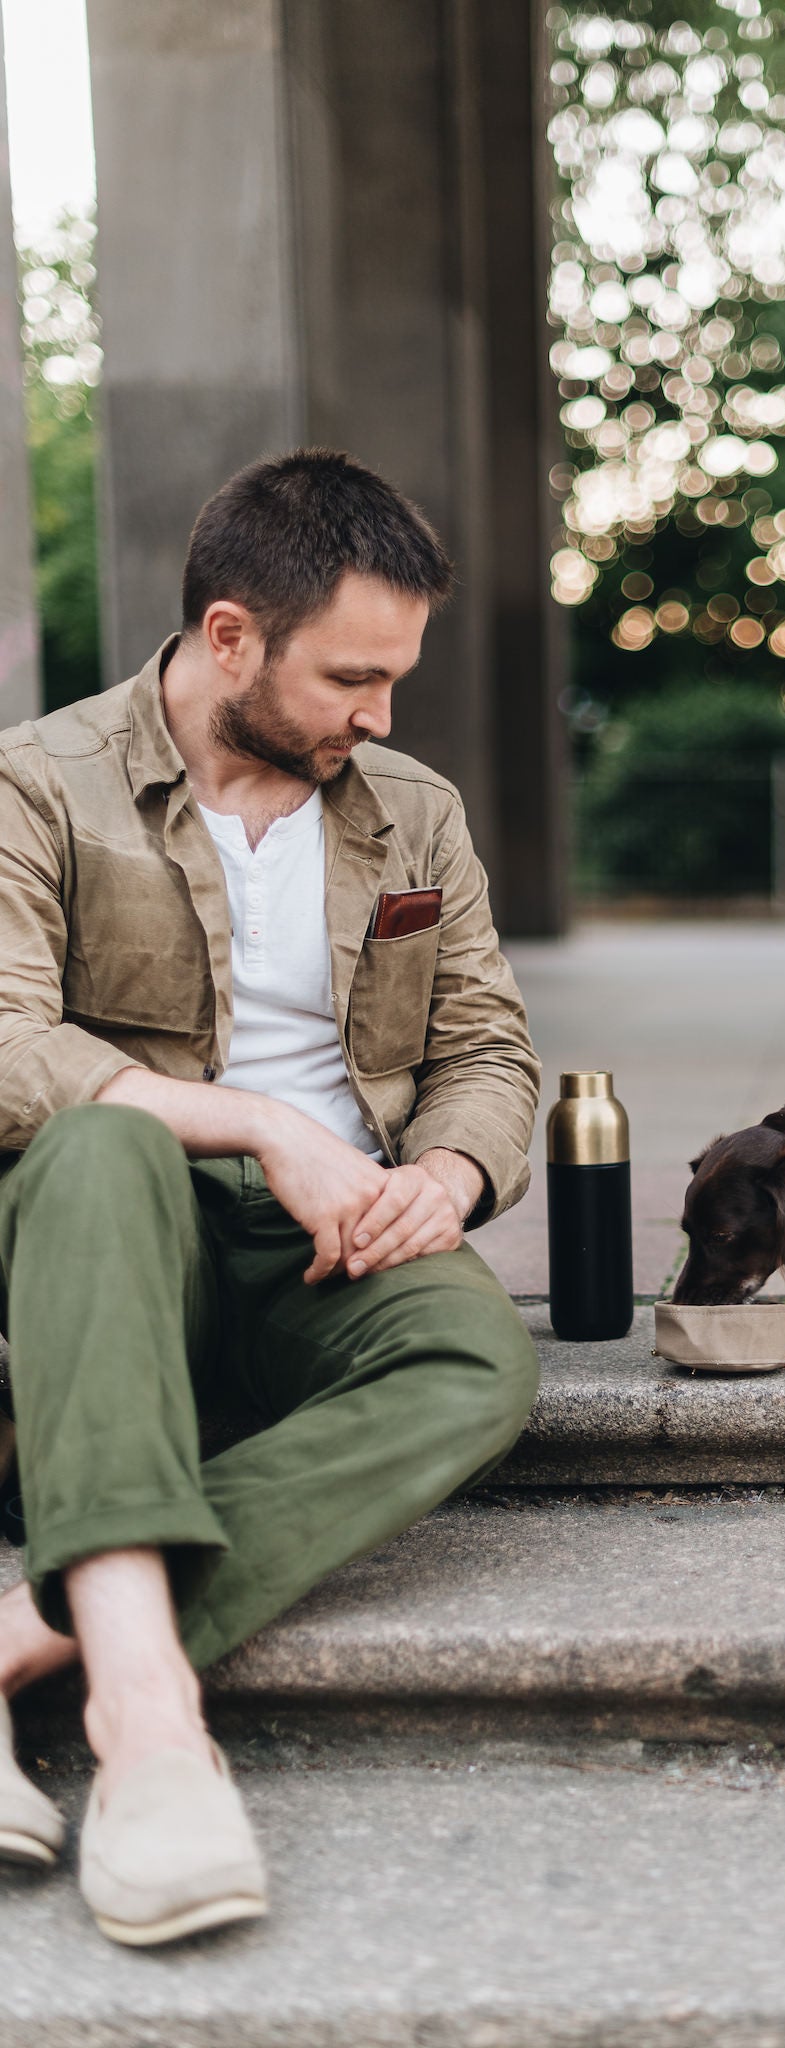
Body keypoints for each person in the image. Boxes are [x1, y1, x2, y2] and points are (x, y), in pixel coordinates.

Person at [0, 449, 541, 1947]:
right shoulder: (36, 784)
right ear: (230, 636)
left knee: (478, 1357)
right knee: (106, 1143)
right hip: (106, 1240)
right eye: (352, 678)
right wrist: (252, 1124)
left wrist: (441, 1170)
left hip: (330, 1253)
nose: (381, 715)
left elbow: (489, 1047)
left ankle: (28, 1633)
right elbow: (1, 1044)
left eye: (396, 679)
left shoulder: (411, 813)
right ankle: (152, 1728)